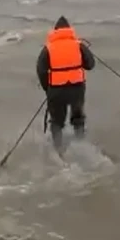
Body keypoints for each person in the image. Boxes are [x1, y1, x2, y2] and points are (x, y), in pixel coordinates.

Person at [36, 16, 96, 151]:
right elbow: (90, 65)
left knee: (57, 121)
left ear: (55, 31)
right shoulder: (79, 45)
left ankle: (58, 150)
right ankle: (81, 147)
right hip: (77, 89)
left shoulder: (48, 48)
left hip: (56, 90)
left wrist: (48, 89)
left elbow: (41, 70)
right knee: (78, 118)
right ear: (70, 30)